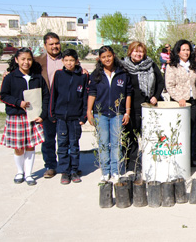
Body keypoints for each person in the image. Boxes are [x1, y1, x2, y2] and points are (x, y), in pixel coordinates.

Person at [0, 48, 49, 186]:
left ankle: (29, 174)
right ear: (17, 60)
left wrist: (42, 114)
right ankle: (20, 171)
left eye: (28, 59)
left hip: (33, 117)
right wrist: (18, 103)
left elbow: (46, 96)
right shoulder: (10, 77)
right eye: (22, 59)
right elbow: (3, 95)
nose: (26, 62)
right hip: (16, 116)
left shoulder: (37, 77)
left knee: (30, 146)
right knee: (19, 146)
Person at [87, 46, 132, 182]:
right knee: (103, 143)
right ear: (100, 59)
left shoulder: (123, 73)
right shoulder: (96, 74)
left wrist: (127, 112)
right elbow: (92, 93)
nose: (107, 59)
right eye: (103, 57)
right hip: (101, 114)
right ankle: (105, 171)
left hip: (117, 114)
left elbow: (128, 93)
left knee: (116, 143)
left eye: (109, 56)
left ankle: (115, 170)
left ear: (113, 56)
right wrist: (89, 111)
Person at [121, 41, 165, 176]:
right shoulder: (123, 66)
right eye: (135, 51)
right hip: (129, 107)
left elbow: (160, 82)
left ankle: (150, 162)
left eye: (141, 51)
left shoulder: (150, 65)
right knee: (130, 137)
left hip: (147, 106)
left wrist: (156, 96)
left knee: (148, 136)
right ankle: (132, 164)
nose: (138, 54)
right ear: (130, 52)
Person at [49, 49, 89, 185]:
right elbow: (53, 95)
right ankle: (64, 171)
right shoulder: (59, 74)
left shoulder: (82, 77)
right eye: (66, 60)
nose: (69, 63)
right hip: (61, 118)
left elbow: (84, 98)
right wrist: (52, 114)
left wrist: (83, 117)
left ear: (77, 61)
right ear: (63, 61)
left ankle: (74, 170)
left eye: (71, 60)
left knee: (74, 145)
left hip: (75, 118)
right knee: (62, 144)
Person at [165, 40, 196, 164]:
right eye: (183, 50)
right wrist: (179, 98)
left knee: (193, 131)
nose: (186, 52)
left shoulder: (193, 66)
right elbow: (170, 86)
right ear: (178, 51)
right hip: (180, 103)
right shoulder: (172, 66)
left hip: (193, 102)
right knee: (181, 131)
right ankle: (180, 157)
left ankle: (192, 157)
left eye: (188, 50)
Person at [34, 32, 63, 179]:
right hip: (46, 105)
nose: (54, 46)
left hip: (64, 105)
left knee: (65, 138)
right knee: (48, 138)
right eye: (51, 44)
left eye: (56, 43)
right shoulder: (37, 62)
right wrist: (9, 72)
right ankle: (51, 165)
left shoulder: (68, 59)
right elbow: (21, 68)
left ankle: (66, 165)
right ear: (45, 45)